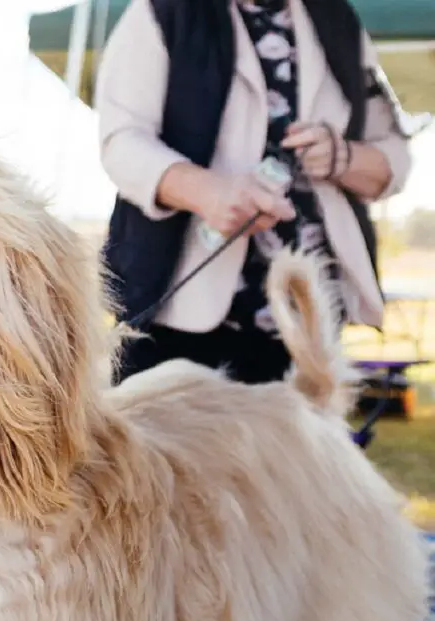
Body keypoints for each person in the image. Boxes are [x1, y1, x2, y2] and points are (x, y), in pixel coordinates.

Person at [97, 0, 413, 385]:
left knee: (293, 445)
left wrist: (341, 156)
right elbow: (121, 142)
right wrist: (209, 193)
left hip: (305, 329)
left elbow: (394, 157)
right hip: (177, 316)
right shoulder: (164, 11)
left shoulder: (338, 18)